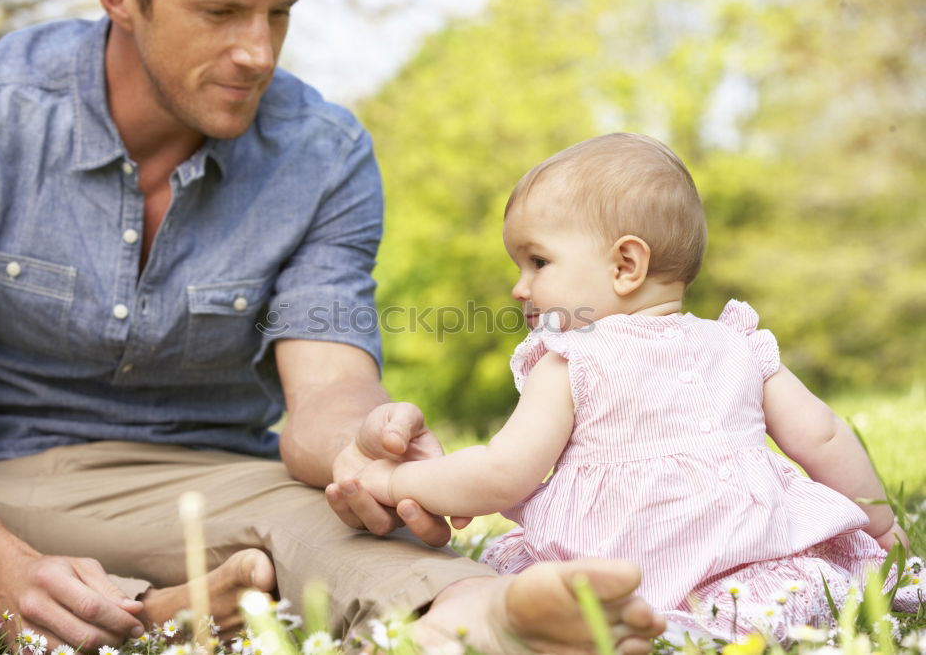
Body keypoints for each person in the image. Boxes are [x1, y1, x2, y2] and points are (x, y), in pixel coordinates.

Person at [0, 0, 667, 651]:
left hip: (202, 484)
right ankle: (148, 612)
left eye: (280, 12)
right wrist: (0, 566)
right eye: (220, 12)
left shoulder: (322, 153)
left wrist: (367, 446)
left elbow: (328, 391)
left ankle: (483, 615)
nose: (257, 51)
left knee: (317, 518)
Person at [355, 133, 920, 641]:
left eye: (537, 261)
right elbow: (821, 437)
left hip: (619, 572)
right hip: (751, 575)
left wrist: (397, 477)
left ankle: (648, 626)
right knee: (781, 604)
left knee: (526, 593)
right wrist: (881, 527)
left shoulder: (573, 359)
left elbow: (502, 473)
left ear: (626, 263)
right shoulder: (736, 345)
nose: (518, 288)